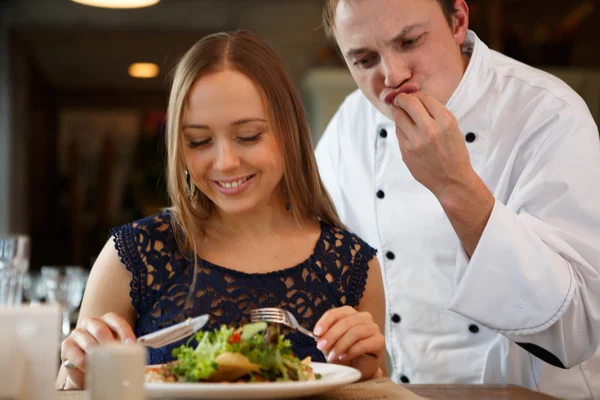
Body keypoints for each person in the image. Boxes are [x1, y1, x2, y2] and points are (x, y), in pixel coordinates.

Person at [56, 30, 387, 390]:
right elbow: (71, 386)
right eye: (199, 141)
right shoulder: (134, 254)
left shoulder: (352, 265)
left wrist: (367, 371)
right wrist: (77, 368)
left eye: (248, 136)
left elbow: (370, 386)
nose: (226, 163)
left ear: (289, 131)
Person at [314, 0, 600, 398]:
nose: (392, 75)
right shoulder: (350, 125)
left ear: (458, 21)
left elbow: (576, 329)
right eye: (364, 59)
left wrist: (453, 183)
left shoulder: (549, 115)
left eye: (410, 41)